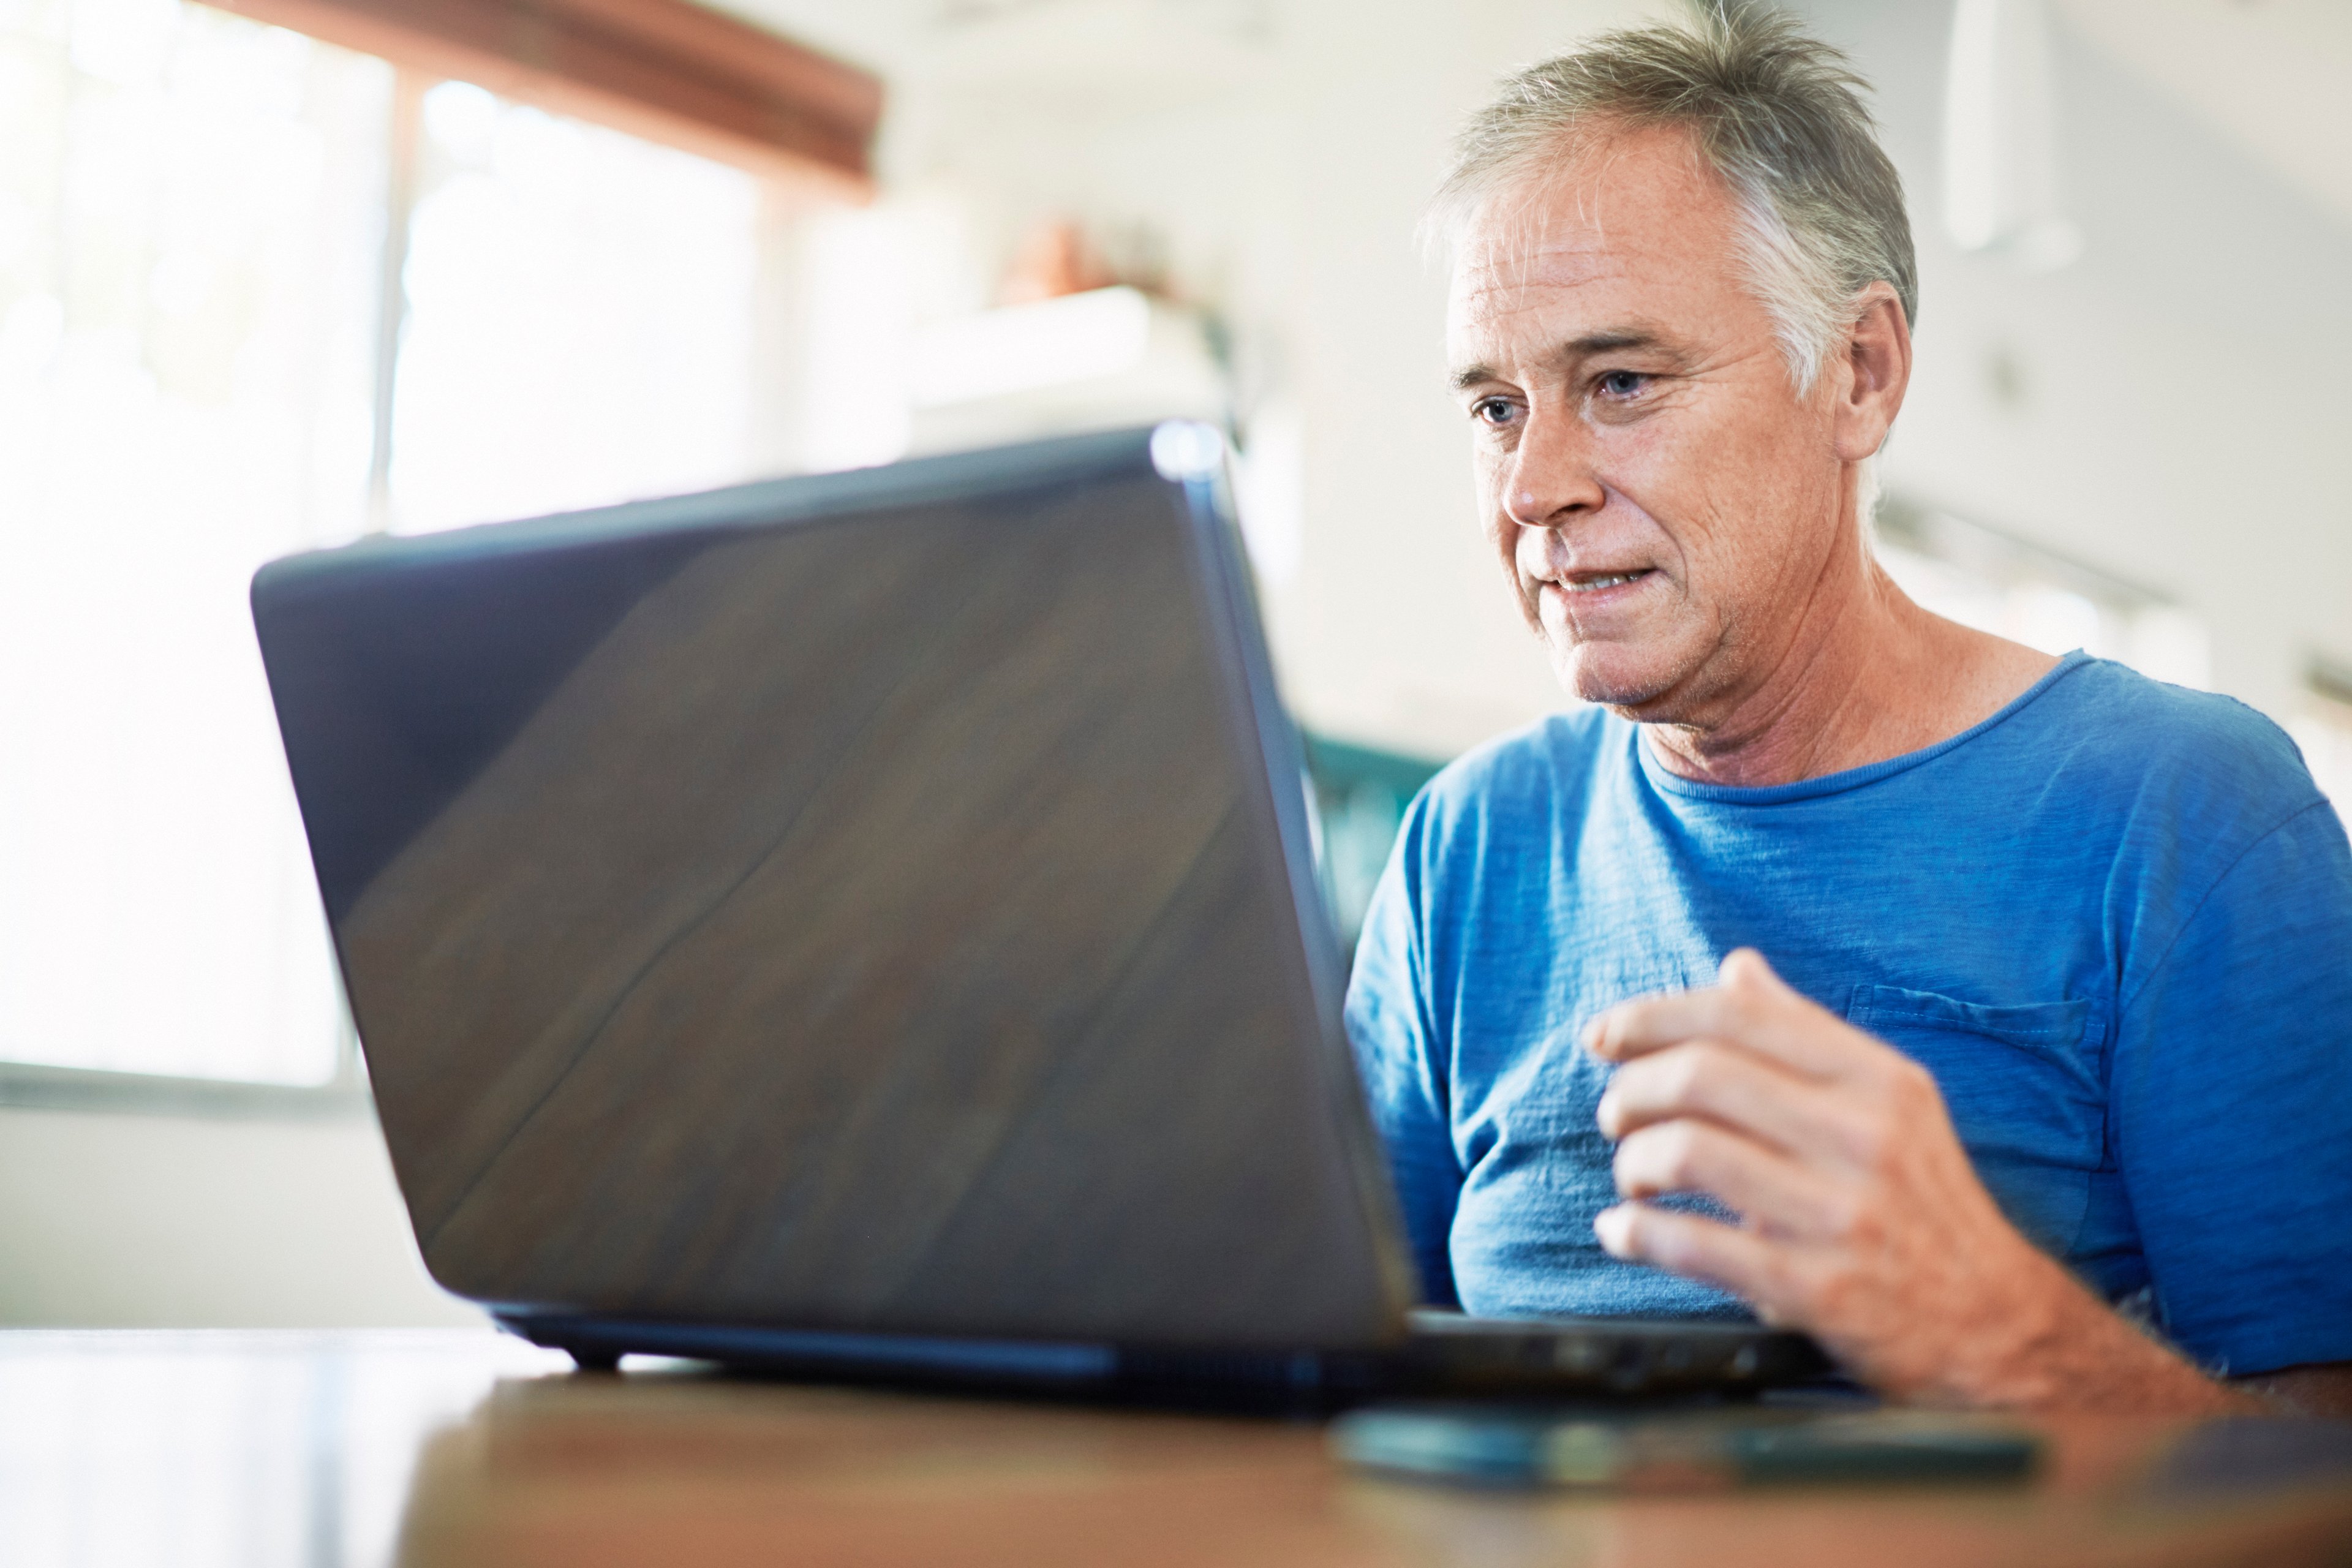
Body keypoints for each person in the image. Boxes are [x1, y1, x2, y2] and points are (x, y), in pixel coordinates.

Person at [1344, 8, 2352, 1412]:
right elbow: (1326, 1375)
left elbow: (2318, 1494)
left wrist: (2008, 1331)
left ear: (1860, 374)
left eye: (1619, 382)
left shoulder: (2189, 812)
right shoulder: (1467, 848)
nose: (1533, 488)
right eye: (1498, 409)